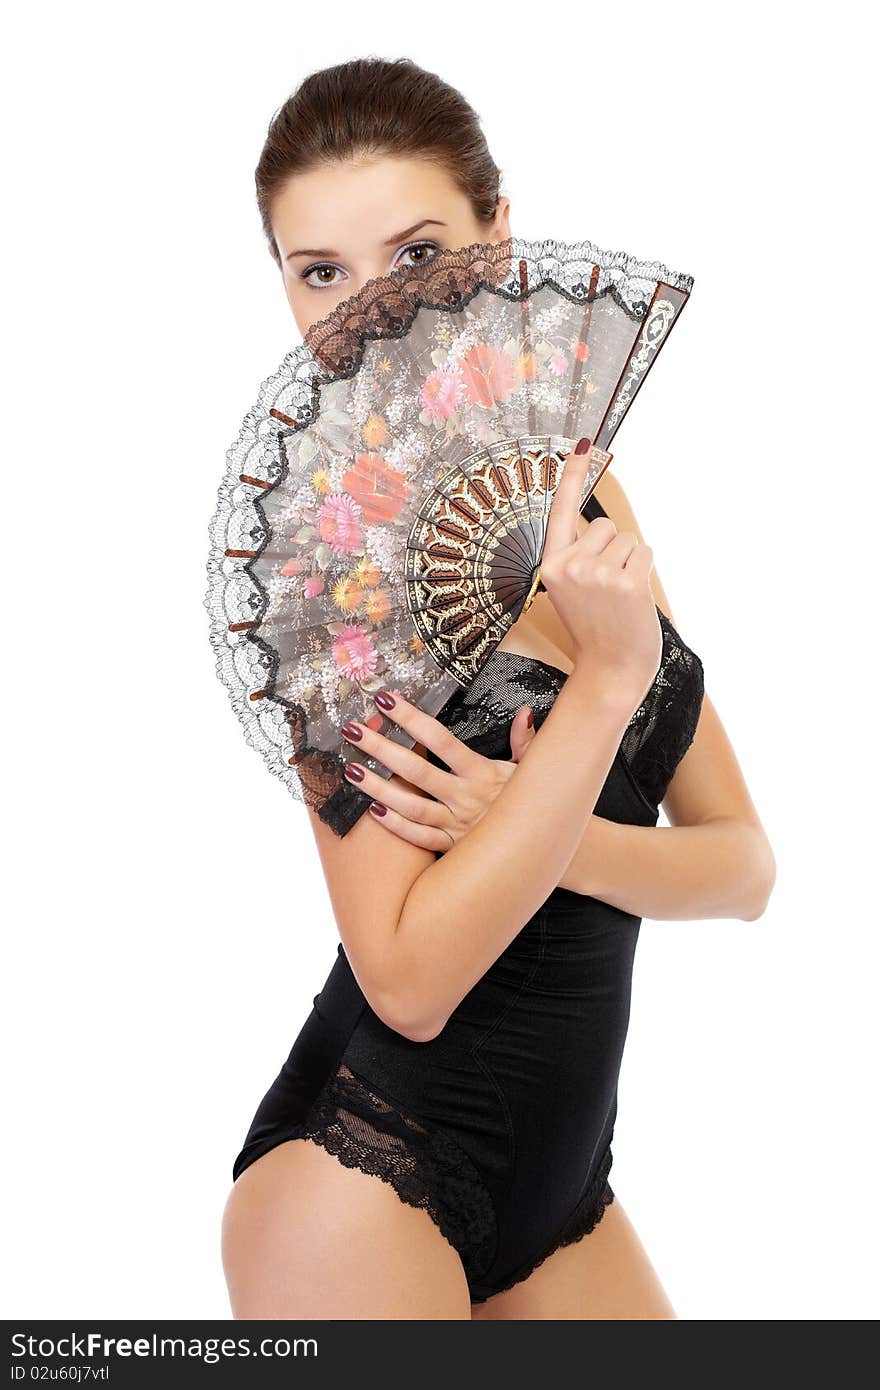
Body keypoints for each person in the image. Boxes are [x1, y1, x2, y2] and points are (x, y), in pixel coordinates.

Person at [220, 56, 776, 1321]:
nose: (370, 314)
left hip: (568, 1194)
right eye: (321, 272)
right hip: (365, 1177)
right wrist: (606, 685)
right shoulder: (324, 573)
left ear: (496, 235)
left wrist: (531, 836)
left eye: (413, 256)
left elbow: (743, 868)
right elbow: (407, 977)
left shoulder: (577, 486)